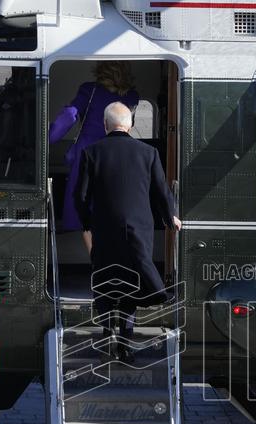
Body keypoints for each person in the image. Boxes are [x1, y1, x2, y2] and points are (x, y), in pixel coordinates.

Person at [74, 101, 181, 363]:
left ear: (105, 125)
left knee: (105, 279)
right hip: (138, 229)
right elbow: (161, 190)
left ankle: (106, 337)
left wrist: (87, 222)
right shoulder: (148, 153)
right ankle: (125, 343)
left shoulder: (91, 152)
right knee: (132, 281)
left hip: (105, 228)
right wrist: (171, 217)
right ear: (130, 125)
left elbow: (80, 195)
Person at [50, 62, 140, 246]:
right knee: (113, 204)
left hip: (87, 152)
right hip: (118, 153)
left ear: (100, 72)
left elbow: (70, 115)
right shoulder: (132, 96)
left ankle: (95, 256)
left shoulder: (89, 90)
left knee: (84, 206)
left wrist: (47, 139)